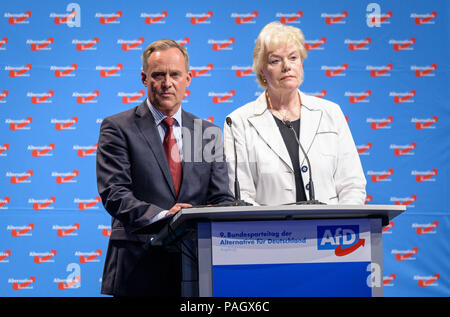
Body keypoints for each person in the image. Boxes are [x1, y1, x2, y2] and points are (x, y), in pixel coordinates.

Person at [96, 39, 234, 296]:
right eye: (158, 74)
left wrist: (198, 217)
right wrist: (166, 216)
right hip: (137, 269)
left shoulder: (207, 133)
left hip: (197, 269)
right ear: (144, 78)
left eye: (175, 74)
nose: (167, 83)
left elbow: (221, 198)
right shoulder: (118, 128)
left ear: (188, 79)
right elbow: (115, 193)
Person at [224, 22, 366, 206]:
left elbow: (352, 184)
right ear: (262, 71)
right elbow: (242, 196)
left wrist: (341, 224)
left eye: (293, 58)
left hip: (329, 230)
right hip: (269, 232)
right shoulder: (238, 122)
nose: (286, 66)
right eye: (275, 60)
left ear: (301, 63)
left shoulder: (330, 112)